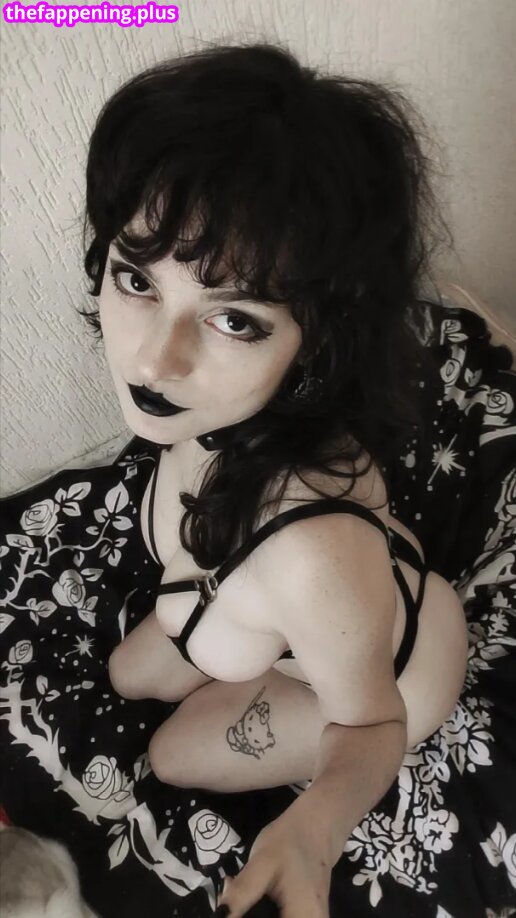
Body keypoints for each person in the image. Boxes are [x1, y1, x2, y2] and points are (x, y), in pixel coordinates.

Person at [77, 42, 469, 918]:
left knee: (172, 754)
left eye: (235, 320)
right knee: (126, 677)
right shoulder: (211, 417)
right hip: (286, 606)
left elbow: (370, 723)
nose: (155, 361)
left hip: (384, 672)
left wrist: (313, 830)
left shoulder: (310, 556)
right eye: (136, 278)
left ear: (318, 340)